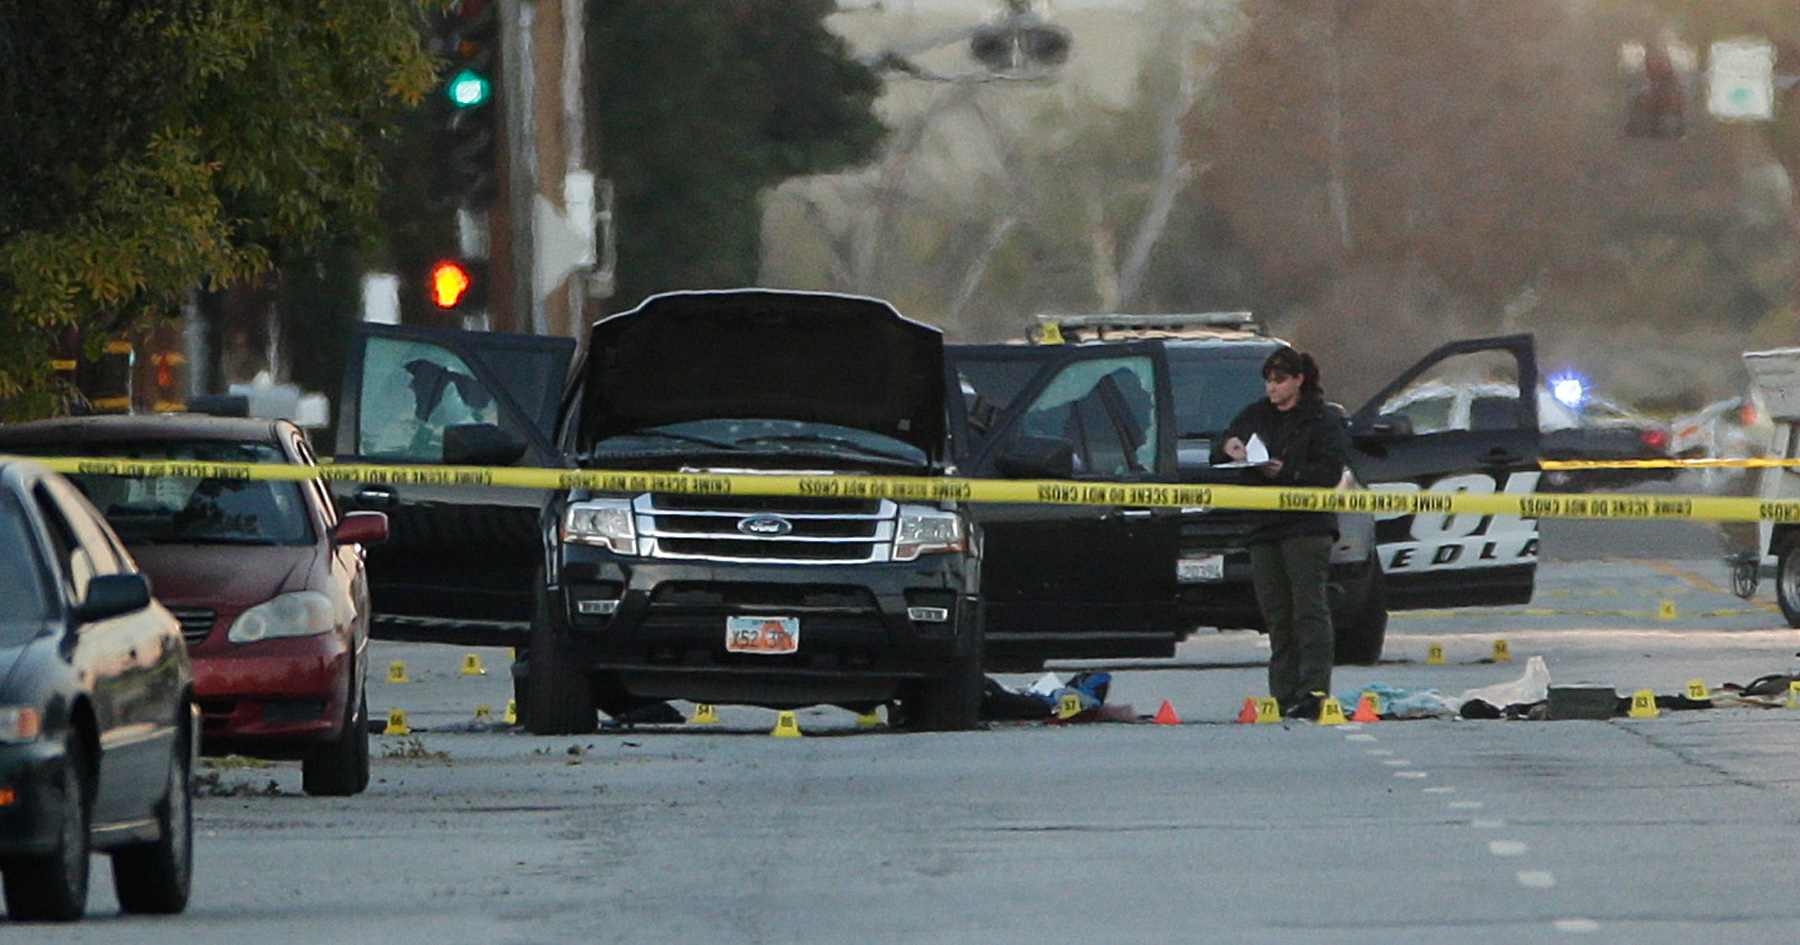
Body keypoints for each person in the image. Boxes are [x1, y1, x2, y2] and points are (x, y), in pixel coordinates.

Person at [1214, 346, 1350, 720]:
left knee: (1308, 608)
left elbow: (1329, 472)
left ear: (1299, 381)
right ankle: (1283, 692)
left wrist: (1286, 472)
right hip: (1264, 524)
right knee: (1277, 613)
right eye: (1268, 381)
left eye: (1279, 381)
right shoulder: (1257, 414)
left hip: (1307, 525)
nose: (1271, 388)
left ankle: (1314, 689)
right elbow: (1223, 443)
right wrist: (1230, 446)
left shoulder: (1323, 420)